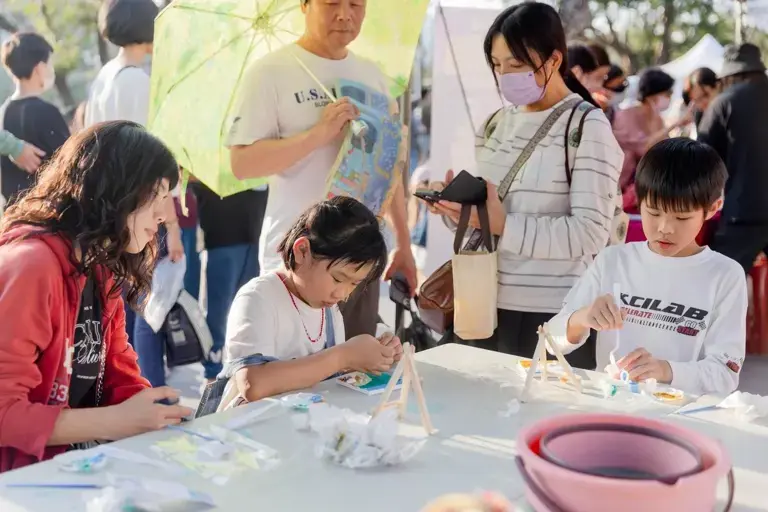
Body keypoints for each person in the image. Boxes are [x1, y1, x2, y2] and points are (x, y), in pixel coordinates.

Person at [426, 2, 623, 369]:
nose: (504, 75)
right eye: (497, 65)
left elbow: (590, 233)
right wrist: (458, 210)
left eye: (515, 65)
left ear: (552, 60)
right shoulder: (495, 124)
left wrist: (505, 226)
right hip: (482, 303)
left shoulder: (586, 126)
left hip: (552, 315)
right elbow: (490, 215)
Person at [0, 121, 193, 472]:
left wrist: (155, 411)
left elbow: (117, 370)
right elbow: (3, 413)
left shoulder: (99, 268)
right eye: (158, 196)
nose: (166, 215)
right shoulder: (32, 266)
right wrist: (115, 421)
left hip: (77, 468)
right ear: (118, 189)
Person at [227, 0, 416, 339]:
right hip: (299, 259)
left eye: (356, 4)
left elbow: (389, 169)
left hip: (358, 260)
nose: (345, 14)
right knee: (298, 378)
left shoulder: (373, 76)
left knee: (355, 375)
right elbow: (242, 163)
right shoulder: (271, 72)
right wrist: (318, 135)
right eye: (332, 3)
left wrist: (403, 243)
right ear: (305, 5)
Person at [547, 138, 746, 396]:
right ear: (638, 201)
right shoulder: (613, 260)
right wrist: (582, 317)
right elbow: (551, 341)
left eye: (682, 217)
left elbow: (725, 373)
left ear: (712, 208)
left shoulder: (724, 275)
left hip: (679, 415)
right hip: (610, 405)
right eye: (653, 212)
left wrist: (665, 370)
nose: (665, 228)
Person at [219, 196, 402, 408]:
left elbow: (323, 373)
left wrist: (373, 356)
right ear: (302, 251)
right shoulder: (258, 298)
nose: (342, 294)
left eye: (354, 284)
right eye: (338, 278)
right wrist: (344, 356)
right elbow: (254, 384)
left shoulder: (329, 311)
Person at [85, 0, 182, 344]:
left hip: (109, 210)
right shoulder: (138, 81)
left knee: (122, 310)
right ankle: (152, 394)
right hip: (139, 211)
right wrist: (171, 225)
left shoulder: (104, 77)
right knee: (147, 315)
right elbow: (152, 164)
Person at [699, 44, 768, 273]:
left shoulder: (724, 102)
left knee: (722, 284)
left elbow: (702, 158)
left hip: (745, 212)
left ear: (729, 75)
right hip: (747, 211)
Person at [192, 183, 268, 382]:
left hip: (255, 237)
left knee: (249, 310)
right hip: (222, 238)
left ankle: (242, 369)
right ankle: (211, 374)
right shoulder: (210, 156)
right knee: (217, 313)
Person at [0, 32, 69, 206]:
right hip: (49, 213)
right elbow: (71, 166)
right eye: (49, 63)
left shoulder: (3, 113)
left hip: (15, 213)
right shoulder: (47, 112)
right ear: (39, 68)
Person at [613, 68, 688, 213]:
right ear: (652, 95)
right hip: (620, 190)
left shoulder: (657, 119)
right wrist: (675, 124)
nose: (670, 98)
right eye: (668, 93)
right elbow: (644, 147)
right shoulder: (626, 116)